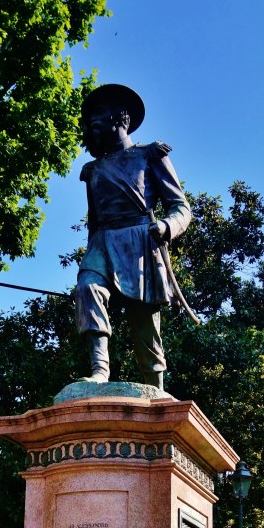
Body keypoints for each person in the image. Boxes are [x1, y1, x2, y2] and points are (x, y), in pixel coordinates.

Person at [74, 84, 191, 391]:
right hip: (102, 242)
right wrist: (90, 257)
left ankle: (156, 389)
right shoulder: (93, 170)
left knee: (145, 330)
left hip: (140, 243)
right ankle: (100, 369)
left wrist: (167, 226)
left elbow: (181, 207)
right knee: (87, 288)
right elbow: (94, 221)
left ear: (120, 117)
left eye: (99, 113)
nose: (92, 122)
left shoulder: (150, 155)